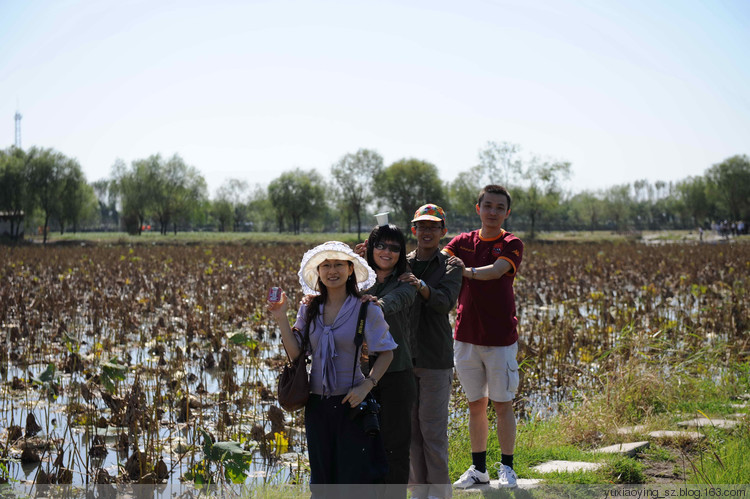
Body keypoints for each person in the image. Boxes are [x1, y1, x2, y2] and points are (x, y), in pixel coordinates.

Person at [266, 241, 397, 492]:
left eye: (338, 264)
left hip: (352, 403)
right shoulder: (310, 307)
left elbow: (387, 353)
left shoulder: (365, 307)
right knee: (322, 479)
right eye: (325, 265)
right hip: (317, 405)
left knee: (352, 478)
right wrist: (281, 316)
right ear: (318, 272)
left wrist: (366, 387)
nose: (332, 271)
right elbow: (296, 353)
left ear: (350, 270)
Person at [443, 185, 524, 489]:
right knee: (475, 403)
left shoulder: (511, 243)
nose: (492, 212)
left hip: (500, 337)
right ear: (477, 208)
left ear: (507, 213)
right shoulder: (462, 241)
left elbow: (495, 271)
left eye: (499, 207)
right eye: (487, 205)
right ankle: (478, 470)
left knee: (502, 404)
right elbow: (436, 259)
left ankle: (507, 467)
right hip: (465, 336)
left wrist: (464, 271)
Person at [398, 204, 462, 499]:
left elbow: (444, 302)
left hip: (435, 359)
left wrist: (421, 286)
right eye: (421, 226)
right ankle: (419, 493)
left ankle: (440, 493)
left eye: (432, 227)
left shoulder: (452, 266)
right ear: (414, 230)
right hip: (403, 358)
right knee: (410, 433)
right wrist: (366, 255)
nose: (426, 232)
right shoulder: (402, 262)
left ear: (443, 232)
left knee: (432, 431)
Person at [358, 223, 417, 497]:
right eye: (380, 245)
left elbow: (393, 302)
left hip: (396, 374)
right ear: (370, 248)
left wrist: (373, 304)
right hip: (358, 376)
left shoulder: (406, 282)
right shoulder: (355, 279)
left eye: (394, 248)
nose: (387, 252)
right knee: (362, 444)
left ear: (401, 253)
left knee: (395, 446)